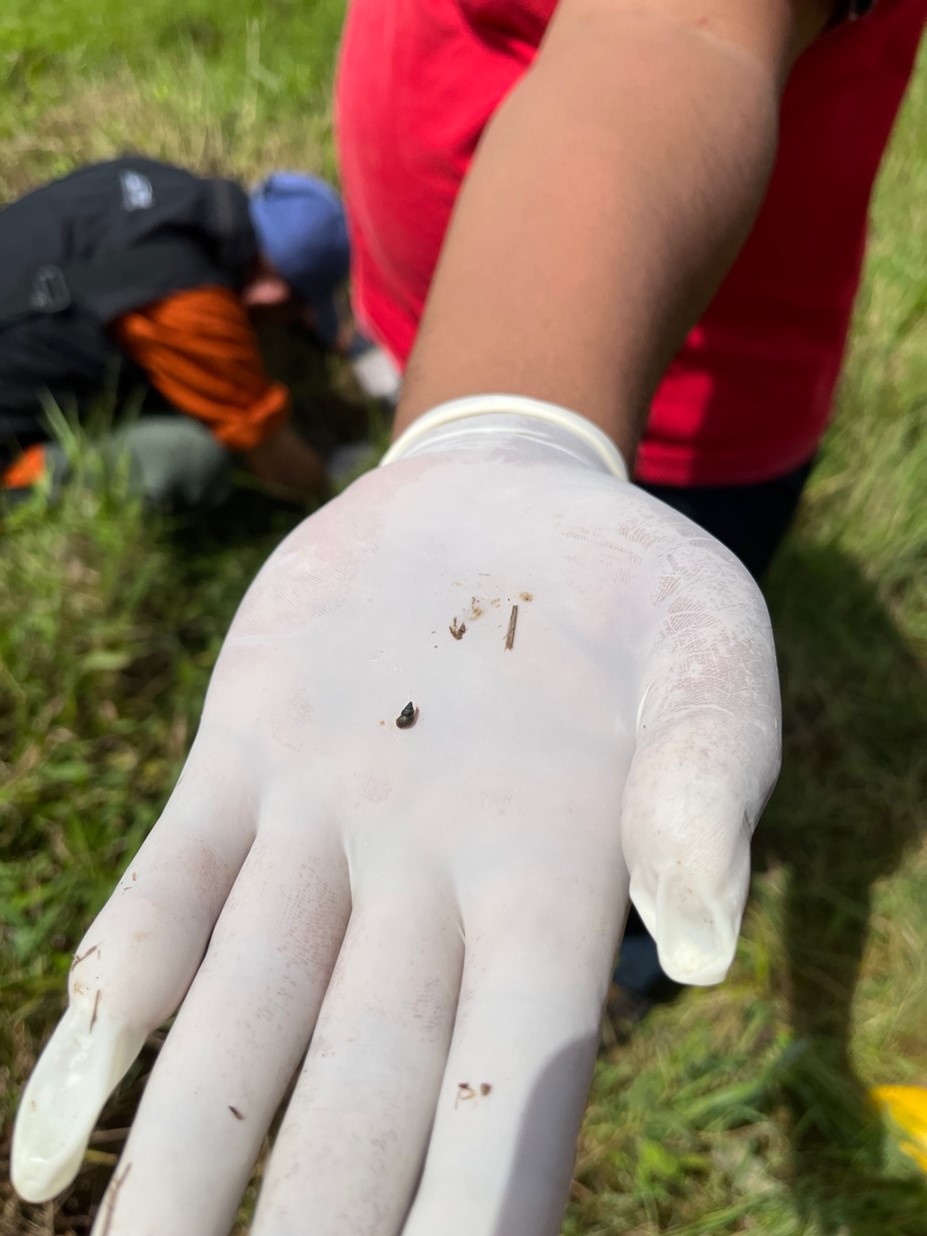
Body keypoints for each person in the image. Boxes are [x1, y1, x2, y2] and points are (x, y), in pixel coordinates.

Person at [11, 2, 925, 1234]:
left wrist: (514, 419)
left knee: (638, 770)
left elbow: (684, 32)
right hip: (435, 294)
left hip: (687, 360)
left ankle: (625, 955)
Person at [0, 157, 351, 508]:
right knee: (193, 456)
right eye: (293, 312)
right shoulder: (194, 307)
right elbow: (268, 451)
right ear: (270, 293)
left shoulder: (149, 179)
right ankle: (22, 489)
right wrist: (334, 494)